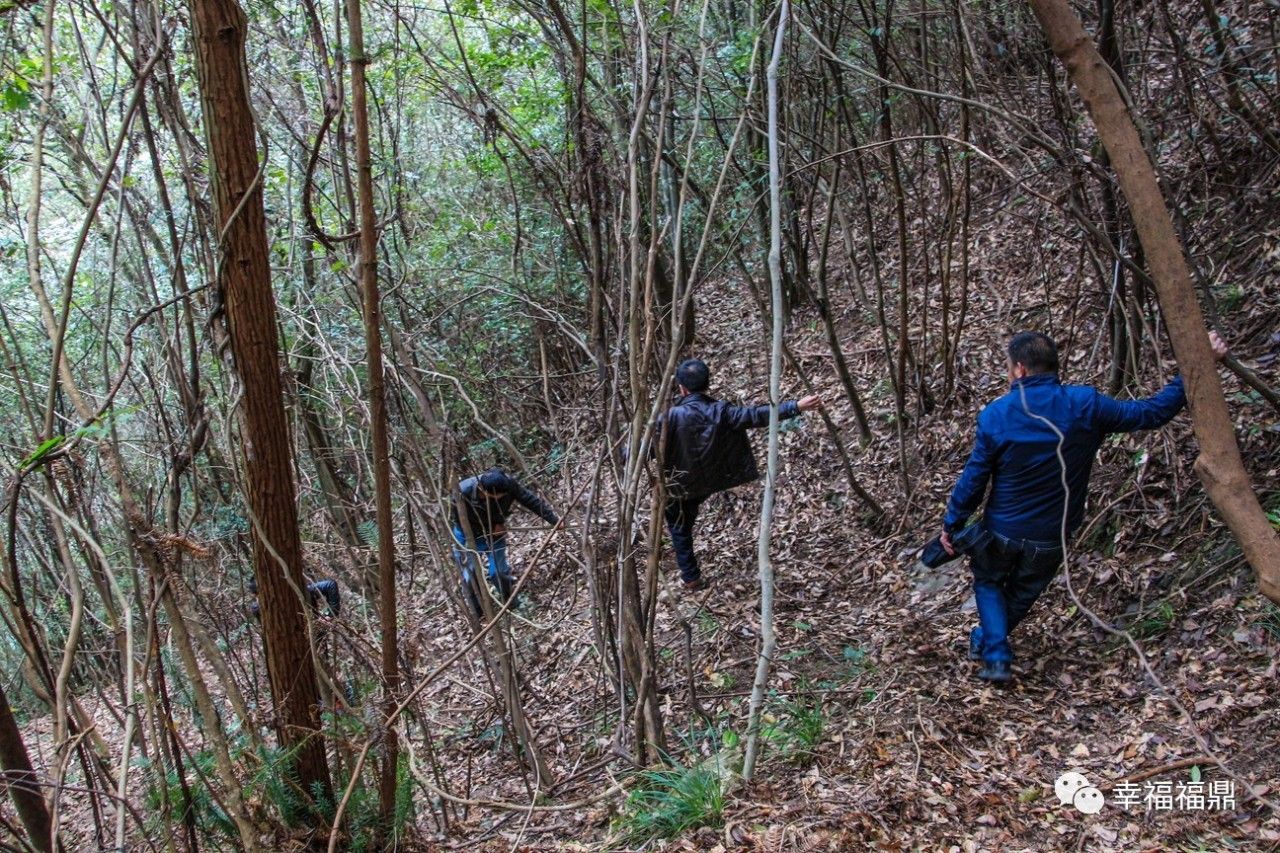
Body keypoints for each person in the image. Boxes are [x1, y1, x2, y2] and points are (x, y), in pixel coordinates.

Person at [941, 330, 1229, 683]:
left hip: (1002, 529)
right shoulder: (1085, 404)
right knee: (1022, 591)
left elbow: (974, 479)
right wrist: (1195, 370)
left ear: (1019, 370)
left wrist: (953, 523)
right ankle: (988, 644)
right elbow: (1151, 413)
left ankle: (996, 653)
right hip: (1053, 534)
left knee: (988, 582)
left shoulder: (996, 416)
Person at [657, 358, 823, 591]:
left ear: (682, 388)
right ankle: (690, 574)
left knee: (679, 526)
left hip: (684, 484)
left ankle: (691, 576)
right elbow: (756, 415)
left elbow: (640, 449)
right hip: (717, 478)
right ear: (707, 384)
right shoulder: (721, 411)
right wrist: (796, 406)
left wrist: (622, 454)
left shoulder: (669, 418)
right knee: (681, 520)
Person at [451, 467, 558, 613]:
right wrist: (492, 527)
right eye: (500, 495)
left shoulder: (507, 484)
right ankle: (479, 611)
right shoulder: (463, 492)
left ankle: (510, 600)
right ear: (484, 491)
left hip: (495, 534)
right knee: (469, 576)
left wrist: (554, 520)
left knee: (498, 572)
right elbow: (460, 520)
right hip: (467, 535)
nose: (504, 497)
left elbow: (530, 500)